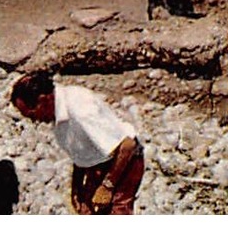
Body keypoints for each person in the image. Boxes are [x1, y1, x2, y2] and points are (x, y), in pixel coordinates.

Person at [11, 73, 145, 215]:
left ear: (43, 100)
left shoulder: (80, 110)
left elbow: (127, 145)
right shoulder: (58, 112)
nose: (34, 121)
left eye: (32, 115)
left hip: (123, 161)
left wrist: (107, 186)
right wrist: (76, 190)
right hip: (97, 163)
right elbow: (81, 153)